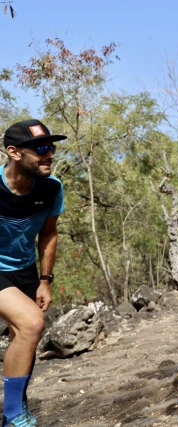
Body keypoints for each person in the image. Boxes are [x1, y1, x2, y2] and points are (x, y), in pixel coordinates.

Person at [0, 120, 65, 427]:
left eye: (51, 147)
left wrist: (44, 280)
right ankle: (13, 417)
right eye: (40, 149)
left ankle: (16, 404)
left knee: (25, 336)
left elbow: (49, 233)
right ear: (13, 152)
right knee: (32, 323)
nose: (49, 154)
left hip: (25, 270)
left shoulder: (51, 188)